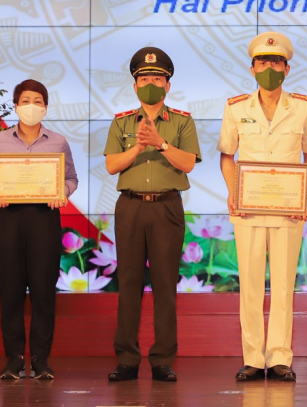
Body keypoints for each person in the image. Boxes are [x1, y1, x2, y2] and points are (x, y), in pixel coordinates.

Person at [218, 32, 307, 382]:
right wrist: (233, 192)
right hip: (247, 209)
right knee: (249, 285)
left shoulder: (303, 106)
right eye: (263, 63)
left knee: (283, 285)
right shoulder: (236, 107)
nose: (269, 69)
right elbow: (227, 156)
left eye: (276, 63)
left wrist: (306, 195)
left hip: (288, 209)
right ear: (252, 68)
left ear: (287, 69)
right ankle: (252, 357)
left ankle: (279, 357)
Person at [103, 47, 201, 382]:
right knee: (129, 283)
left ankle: (162, 360)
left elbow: (188, 163)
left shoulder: (182, 121)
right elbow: (112, 165)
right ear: (135, 85)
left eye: (157, 79)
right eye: (144, 79)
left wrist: (160, 143)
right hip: (130, 206)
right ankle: (127, 359)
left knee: (165, 285)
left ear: (167, 85)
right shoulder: (122, 122)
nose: (150, 84)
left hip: (167, 207)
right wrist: (139, 146)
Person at [0, 79, 78, 380]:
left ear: (45, 107)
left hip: (44, 218)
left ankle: (40, 359)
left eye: (37, 101)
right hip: (8, 218)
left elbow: (71, 178)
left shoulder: (58, 141)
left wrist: (61, 192)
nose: (31, 106)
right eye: (25, 101)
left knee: (43, 291)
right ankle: (13, 359)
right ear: (15, 106)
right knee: (10, 291)